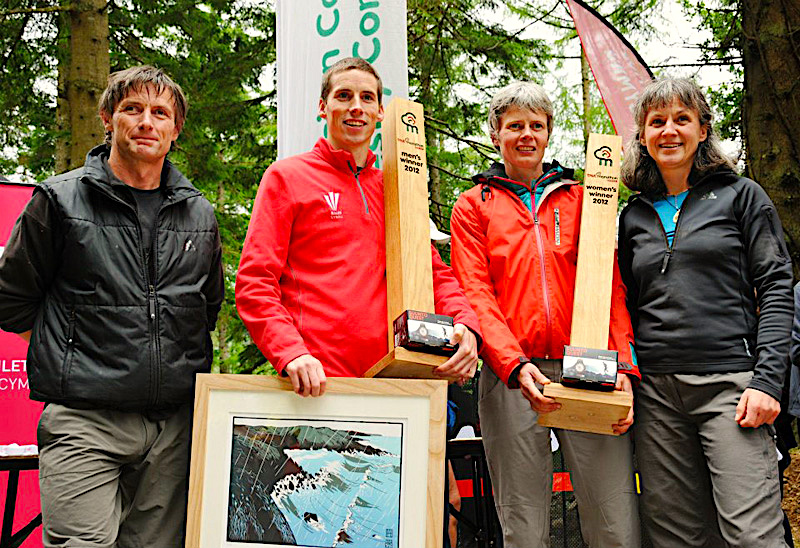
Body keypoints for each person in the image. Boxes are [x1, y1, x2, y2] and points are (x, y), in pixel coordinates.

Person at [0, 66, 223, 547]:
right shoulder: (58, 201)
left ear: (175, 130)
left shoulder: (199, 213)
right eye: (133, 109)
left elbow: (205, 309)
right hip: (84, 422)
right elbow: (11, 301)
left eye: (160, 113)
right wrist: (71, 352)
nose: (147, 121)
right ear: (108, 118)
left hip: (172, 430)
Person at [450, 81, 641, 548]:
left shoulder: (583, 199)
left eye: (537, 125)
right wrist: (513, 364)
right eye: (515, 125)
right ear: (496, 134)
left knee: (613, 518)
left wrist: (626, 367)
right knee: (523, 523)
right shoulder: (473, 206)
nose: (526, 135)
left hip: (589, 365)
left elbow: (610, 286)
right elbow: (475, 292)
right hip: (513, 375)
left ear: (549, 132)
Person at [235, 57, 481, 398]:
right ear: (324, 107)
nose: (356, 107)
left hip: (396, 381)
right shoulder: (287, 178)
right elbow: (255, 284)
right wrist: (290, 352)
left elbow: (435, 275)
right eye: (344, 96)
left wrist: (466, 325)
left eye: (367, 98)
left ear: (380, 112)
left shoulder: (397, 189)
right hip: (316, 383)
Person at [618, 77, 793, 548]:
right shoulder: (632, 215)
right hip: (656, 394)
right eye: (657, 122)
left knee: (751, 534)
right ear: (642, 136)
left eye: (681, 119)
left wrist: (768, 381)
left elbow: (776, 287)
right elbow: (626, 303)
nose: (668, 131)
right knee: (675, 536)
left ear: (702, 130)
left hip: (732, 387)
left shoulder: (742, 196)